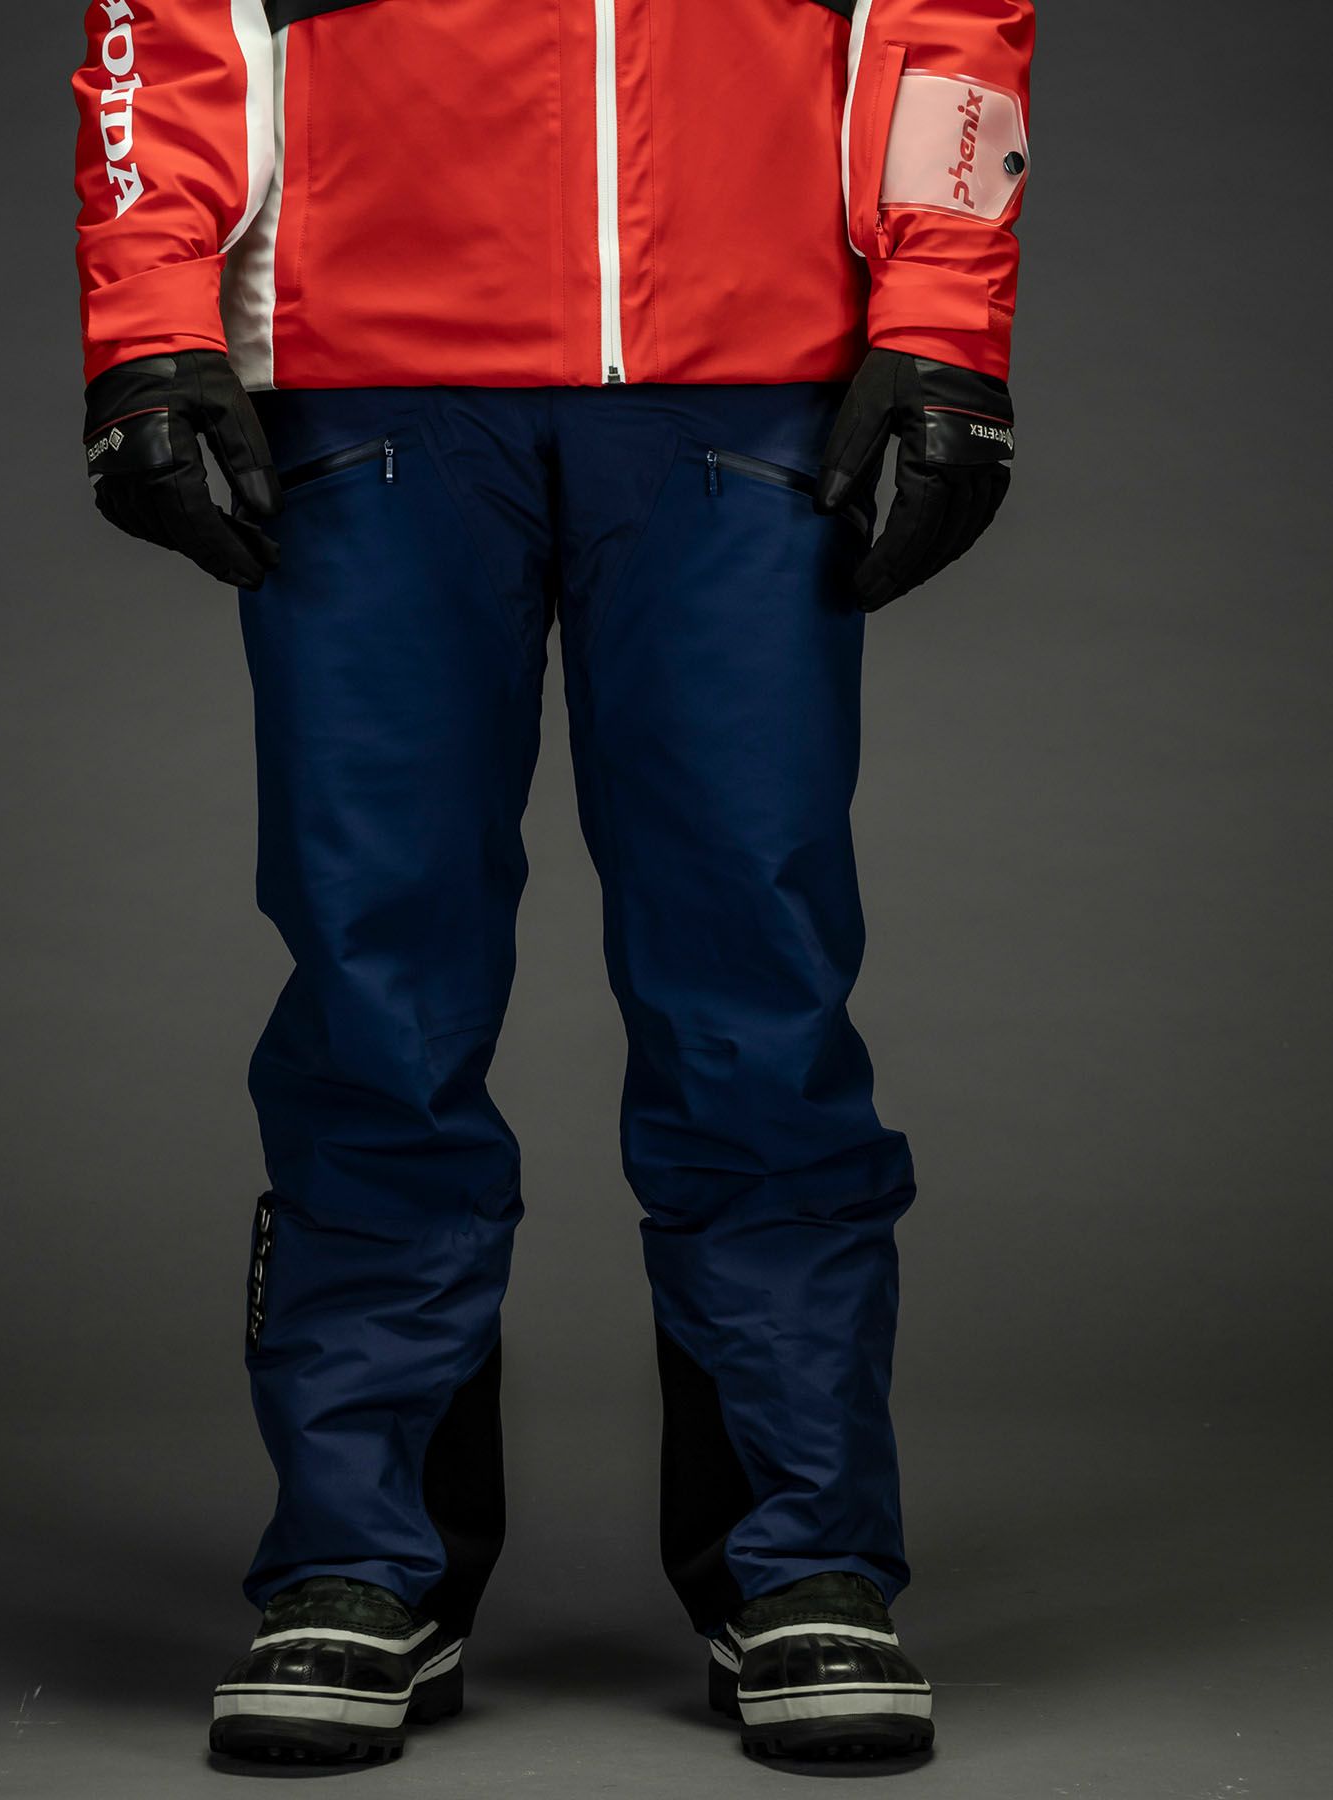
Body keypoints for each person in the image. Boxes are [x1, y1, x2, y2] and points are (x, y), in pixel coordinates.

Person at [73, 0, 1033, 1767]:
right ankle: (362, 1558)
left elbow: (944, 18)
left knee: (758, 977)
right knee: (375, 980)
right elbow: (172, 16)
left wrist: (943, 321)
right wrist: (149, 321)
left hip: (746, 374)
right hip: (372, 376)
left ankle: (803, 1557)